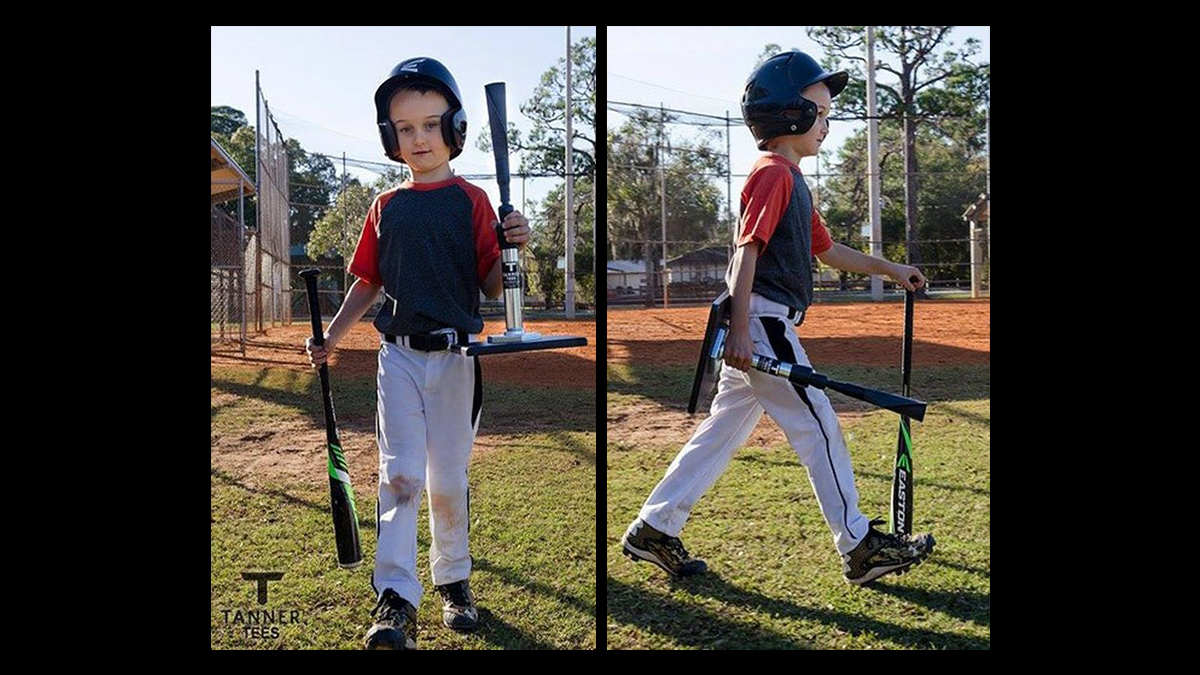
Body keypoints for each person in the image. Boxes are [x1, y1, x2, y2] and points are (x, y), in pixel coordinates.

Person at [622, 50, 936, 586]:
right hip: (764, 323)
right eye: (821, 111)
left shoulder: (792, 180)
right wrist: (743, 330)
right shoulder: (772, 175)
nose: (827, 123)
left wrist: (891, 267)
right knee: (819, 425)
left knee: (721, 433)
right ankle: (859, 545)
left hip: (760, 324)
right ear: (789, 114)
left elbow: (828, 249)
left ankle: (654, 526)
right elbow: (746, 253)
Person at [304, 56, 531, 649]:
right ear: (390, 138)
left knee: (447, 479)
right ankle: (397, 597)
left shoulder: (474, 201)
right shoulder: (387, 206)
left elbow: (490, 287)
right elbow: (368, 283)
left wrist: (513, 249)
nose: (419, 138)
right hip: (398, 357)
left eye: (431, 125)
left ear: (453, 129)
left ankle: (454, 581)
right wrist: (331, 336)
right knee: (399, 474)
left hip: (457, 359)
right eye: (405, 128)